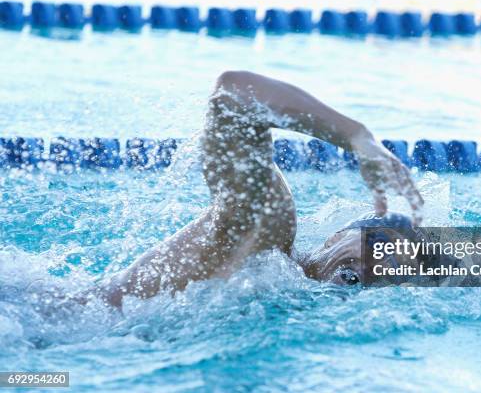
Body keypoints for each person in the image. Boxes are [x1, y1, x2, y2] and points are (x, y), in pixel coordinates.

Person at [96, 71, 424, 308]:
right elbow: (235, 94)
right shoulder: (266, 233)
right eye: (379, 243)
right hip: (61, 321)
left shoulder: (292, 294)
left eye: (393, 269)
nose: (380, 261)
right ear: (335, 236)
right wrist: (359, 137)